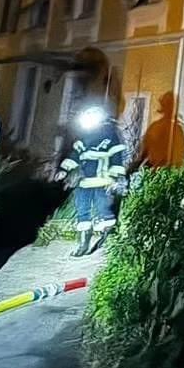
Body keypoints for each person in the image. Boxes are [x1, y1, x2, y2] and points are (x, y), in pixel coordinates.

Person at [58, 102, 127, 256]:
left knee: (104, 209)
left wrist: (117, 176)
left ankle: (107, 238)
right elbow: (75, 155)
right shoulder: (85, 136)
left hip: (102, 180)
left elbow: (116, 156)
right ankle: (84, 243)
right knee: (82, 209)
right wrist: (65, 169)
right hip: (83, 181)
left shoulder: (110, 134)